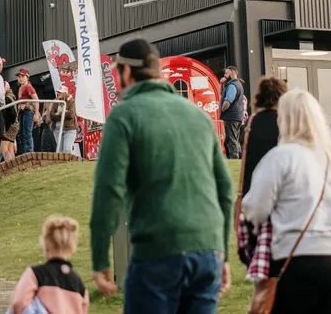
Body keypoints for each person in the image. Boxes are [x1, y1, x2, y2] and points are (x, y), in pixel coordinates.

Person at [90, 38, 234, 314]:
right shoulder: (200, 118)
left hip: (158, 253)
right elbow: (225, 190)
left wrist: (99, 259)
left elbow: (108, 190)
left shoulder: (123, 116)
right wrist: (221, 252)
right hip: (207, 253)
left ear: (127, 72)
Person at [241, 88, 331, 314]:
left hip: (299, 257)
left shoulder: (280, 157)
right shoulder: (329, 161)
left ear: (283, 119)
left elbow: (256, 209)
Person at [237, 77, 286, 278]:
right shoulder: (285, 122)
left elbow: (245, 157)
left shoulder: (253, 121)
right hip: (279, 191)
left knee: (259, 245)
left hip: (253, 189)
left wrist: (241, 193)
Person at [9, 216, 89, 314]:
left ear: (46, 244)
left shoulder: (35, 274)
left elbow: (19, 302)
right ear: (71, 247)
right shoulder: (80, 285)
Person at [220, 66, 248, 160]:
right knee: (233, 140)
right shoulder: (237, 84)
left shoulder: (232, 85)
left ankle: (235, 163)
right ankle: (237, 162)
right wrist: (222, 84)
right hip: (236, 117)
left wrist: (223, 109)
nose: (224, 75)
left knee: (231, 141)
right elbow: (223, 95)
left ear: (231, 74)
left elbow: (228, 100)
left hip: (231, 117)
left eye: (226, 73)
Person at [16, 69, 41, 155]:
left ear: (27, 77)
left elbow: (36, 100)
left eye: (22, 76)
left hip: (28, 112)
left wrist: (36, 113)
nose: (20, 78)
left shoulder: (28, 87)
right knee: (21, 133)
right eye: (19, 77)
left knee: (27, 132)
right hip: (22, 112)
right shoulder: (20, 88)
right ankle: (24, 153)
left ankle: (29, 152)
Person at [48, 88, 78, 156]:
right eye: (58, 92)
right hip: (57, 129)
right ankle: (62, 166)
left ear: (65, 93)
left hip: (69, 128)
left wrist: (59, 113)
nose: (58, 94)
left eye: (60, 92)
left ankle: (67, 165)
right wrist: (65, 114)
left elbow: (71, 115)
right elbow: (52, 115)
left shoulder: (71, 101)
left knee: (67, 149)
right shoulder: (56, 102)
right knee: (60, 151)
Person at [0, 81, 20, 163]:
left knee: (3, 148)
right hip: (15, 125)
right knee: (10, 149)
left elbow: (11, 115)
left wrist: (6, 127)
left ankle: (9, 167)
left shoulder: (7, 99)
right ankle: (14, 167)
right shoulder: (12, 97)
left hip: (10, 126)